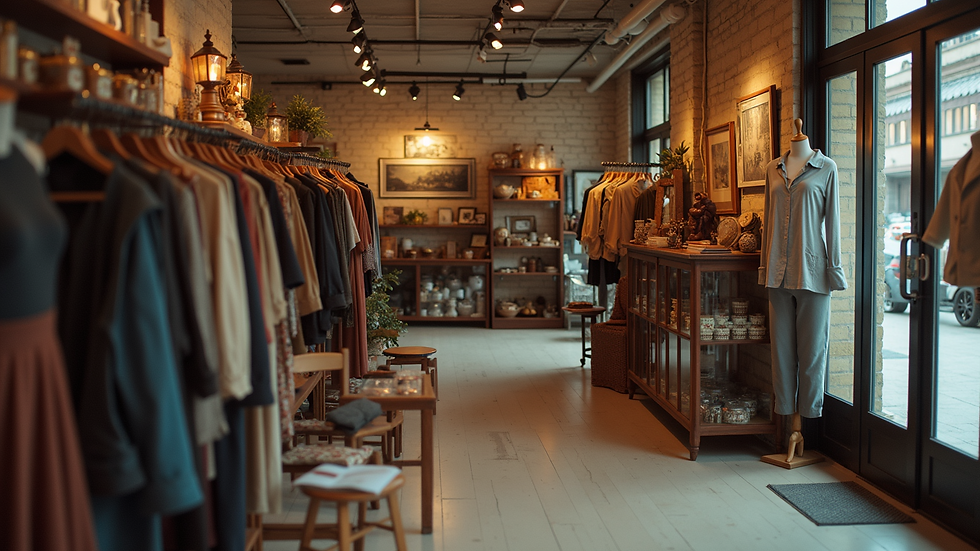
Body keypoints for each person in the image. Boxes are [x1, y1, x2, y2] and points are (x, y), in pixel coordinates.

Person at [758, 119, 847, 466]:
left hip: (812, 273)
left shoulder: (826, 168)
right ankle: (786, 423)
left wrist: (834, 270)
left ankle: (804, 423)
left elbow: (834, 223)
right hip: (778, 275)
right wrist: (765, 269)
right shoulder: (772, 170)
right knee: (781, 355)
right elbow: (768, 221)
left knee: (812, 353)